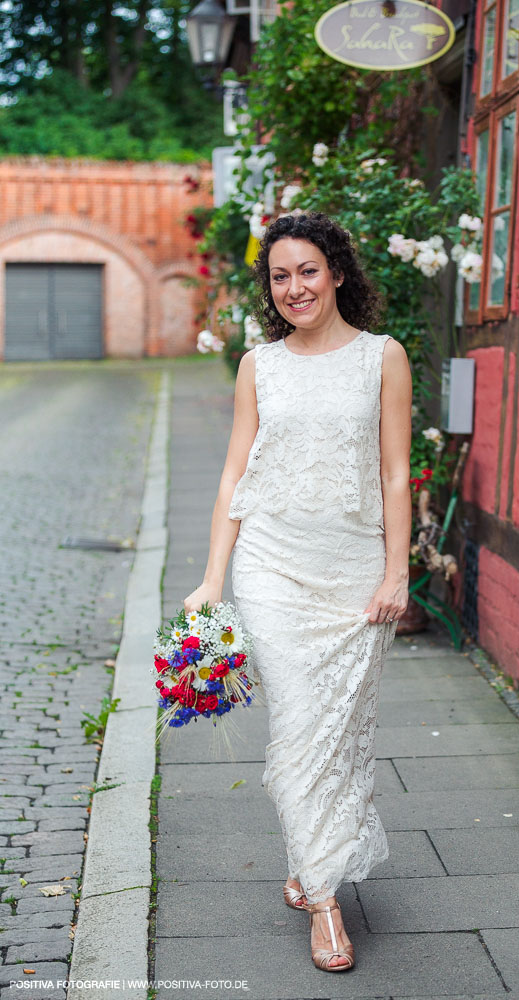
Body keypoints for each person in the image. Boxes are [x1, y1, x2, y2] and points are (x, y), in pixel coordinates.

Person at [184, 210, 412, 973]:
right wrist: (213, 577)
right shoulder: (259, 365)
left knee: (338, 737)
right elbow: (233, 476)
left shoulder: (383, 358)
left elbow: (390, 473)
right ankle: (323, 901)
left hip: (352, 575)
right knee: (301, 725)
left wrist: (395, 571)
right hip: (272, 569)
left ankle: (307, 861)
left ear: (338, 273)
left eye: (307, 270)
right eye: (279, 276)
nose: (294, 288)